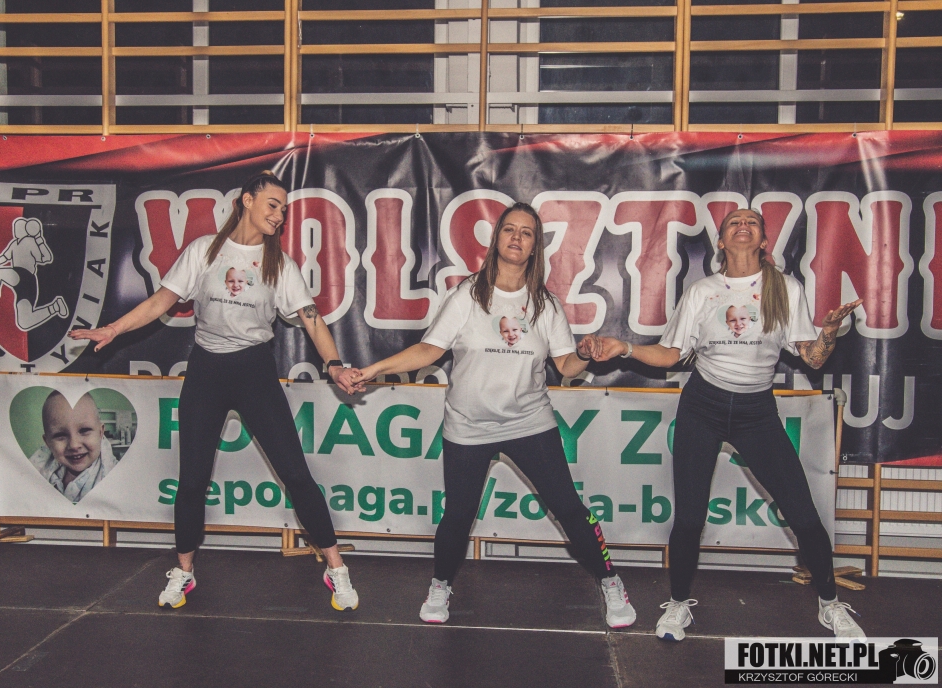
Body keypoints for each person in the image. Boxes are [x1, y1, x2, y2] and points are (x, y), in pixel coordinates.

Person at [69, 171, 361, 611]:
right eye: (273, 205)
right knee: (191, 480)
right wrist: (113, 329)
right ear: (247, 200)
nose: (279, 216)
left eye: (284, 210)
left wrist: (334, 365)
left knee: (297, 475)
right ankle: (183, 571)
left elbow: (311, 318)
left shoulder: (280, 265)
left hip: (255, 372)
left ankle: (335, 567)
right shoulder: (204, 250)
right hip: (206, 371)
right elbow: (161, 301)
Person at [349, 202, 636, 628]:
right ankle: (441, 584)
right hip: (468, 426)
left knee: (570, 508)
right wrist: (373, 370)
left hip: (529, 423)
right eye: (509, 229)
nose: (517, 237)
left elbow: (566, 367)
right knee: (458, 515)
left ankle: (610, 581)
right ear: (497, 238)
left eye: (526, 232)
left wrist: (584, 353)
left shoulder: (545, 304)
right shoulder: (469, 294)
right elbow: (429, 350)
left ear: (535, 247)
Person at [593, 208, 865, 640]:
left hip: (757, 414)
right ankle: (678, 604)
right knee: (689, 519)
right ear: (721, 242)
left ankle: (830, 605)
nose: (743, 225)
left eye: (753, 222)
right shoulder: (702, 292)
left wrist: (828, 330)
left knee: (804, 515)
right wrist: (624, 347)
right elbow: (670, 354)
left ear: (763, 241)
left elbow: (813, 358)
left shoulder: (785, 289)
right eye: (734, 222)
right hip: (703, 407)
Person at [29, 390, 117, 503]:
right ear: (48, 442)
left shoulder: (115, 476)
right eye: (60, 435)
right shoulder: (38, 470)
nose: (74, 445)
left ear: (100, 432)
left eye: (84, 430)